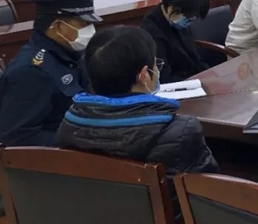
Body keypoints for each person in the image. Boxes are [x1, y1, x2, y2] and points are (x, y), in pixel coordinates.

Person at [56, 26, 218, 175]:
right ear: (144, 76)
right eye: (156, 64)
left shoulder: (69, 125)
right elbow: (207, 184)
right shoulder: (182, 131)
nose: (157, 70)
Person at [0, 0, 101, 147]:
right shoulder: (32, 72)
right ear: (58, 26)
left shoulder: (72, 54)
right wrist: (80, 140)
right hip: (61, 156)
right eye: (84, 24)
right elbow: (17, 137)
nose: (91, 30)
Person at [140, 0, 210, 84]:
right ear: (175, 9)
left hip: (193, 80)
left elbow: (195, 59)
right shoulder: (151, 31)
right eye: (188, 18)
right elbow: (163, 77)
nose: (189, 23)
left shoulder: (178, 21)